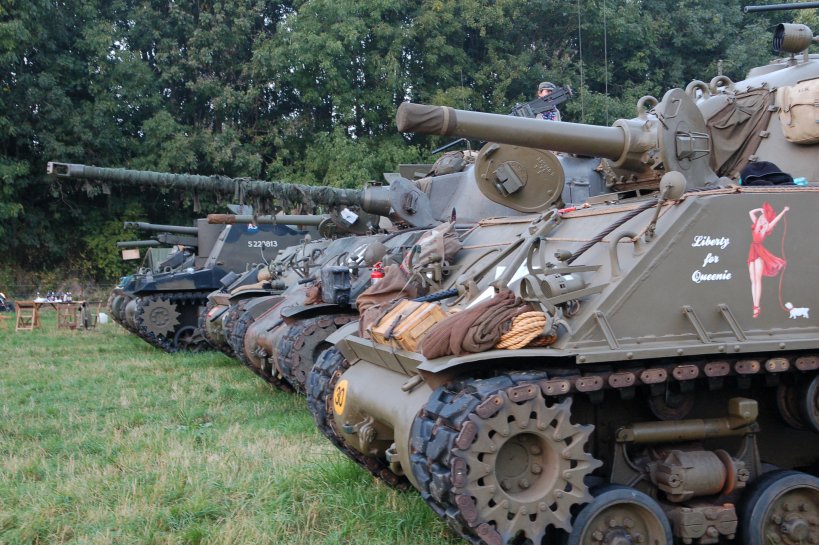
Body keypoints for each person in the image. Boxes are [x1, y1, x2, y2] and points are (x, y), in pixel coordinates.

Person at [747, 202, 789, 318]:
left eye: (765, 217)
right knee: (753, 280)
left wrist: (784, 211)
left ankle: (756, 306)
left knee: (758, 279)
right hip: (752, 251)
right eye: (762, 217)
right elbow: (750, 212)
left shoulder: (767, 227)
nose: (762, 218)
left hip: (760, 252)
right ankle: (755, 305)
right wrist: (759, 209)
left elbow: (776, 220)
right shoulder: (755, 223)